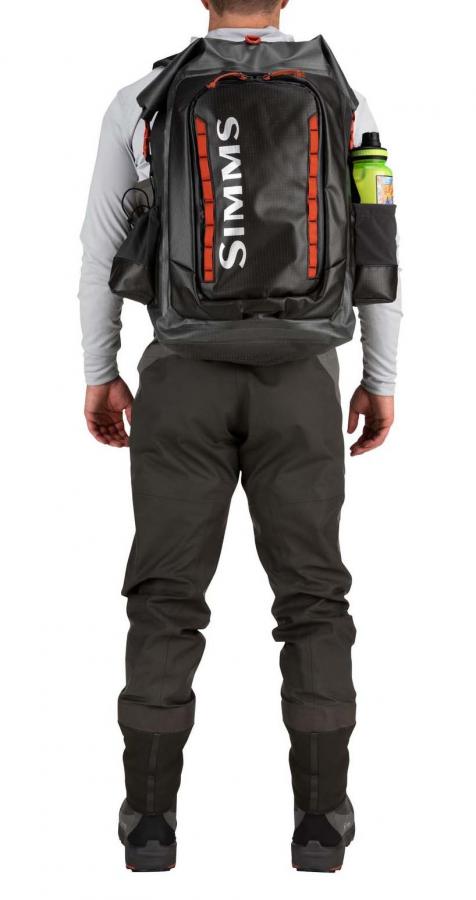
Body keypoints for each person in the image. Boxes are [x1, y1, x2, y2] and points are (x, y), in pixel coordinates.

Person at [79, 0, 402, 873]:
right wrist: (379, 379)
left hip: (180, 377)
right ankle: (322, 824)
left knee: (165, 597)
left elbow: (102, 249)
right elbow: (377, 245)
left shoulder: (144, 99)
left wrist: (101, 369)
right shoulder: (344, 98)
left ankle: (149, 826)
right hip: (303, 381)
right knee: (314, 598)